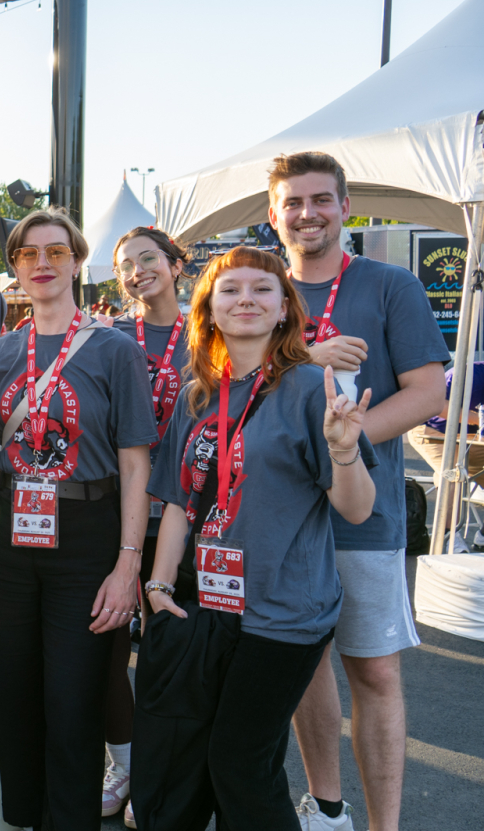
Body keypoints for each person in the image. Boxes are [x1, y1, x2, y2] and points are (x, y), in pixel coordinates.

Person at [135, 246, 377, 831]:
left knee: (238, 763)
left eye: (262, 289)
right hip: (207, 607)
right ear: (209, 311)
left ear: (283, 310)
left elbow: (357, 508)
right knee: (212, 761)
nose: (246, 298)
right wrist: (160, 585)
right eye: (231, 289)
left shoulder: (307, 390)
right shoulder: (199, 396)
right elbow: (176, 503)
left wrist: (344, 454)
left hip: (282, 614)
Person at [0, 207, 157, 831]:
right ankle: (22, 819)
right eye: (29, 254)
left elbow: (135, 464)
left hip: (87, 533)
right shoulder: (2, 351)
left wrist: (127, 564)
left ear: (76, 261)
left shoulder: (114, 349)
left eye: (56, 252)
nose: (42, 264)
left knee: (73, 696)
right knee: (13, 691)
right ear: (15, 269)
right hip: (5, 525)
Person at [271, 153, 449, 831]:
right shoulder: (258, 288)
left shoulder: (389, 285)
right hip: (280, 518)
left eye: (321, 199)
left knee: (373, 674)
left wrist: (342, 447)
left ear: (347, 208)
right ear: (273, 215)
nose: (307, 212)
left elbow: (428, 392)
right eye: (293, 202)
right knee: (303, 669)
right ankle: (326, 809)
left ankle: (385, 825)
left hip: (364, 517)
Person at [101, 225, 192, 825]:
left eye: (148, 259)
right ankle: (123, 761)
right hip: (118, 511)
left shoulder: (209, 331)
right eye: (125, 265)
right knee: (107, 651)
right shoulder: (107, 337)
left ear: (176, 264)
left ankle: (159, 771)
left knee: (170, 653)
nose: (137, 271)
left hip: (187, 517)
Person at [409, 360, 484, 553]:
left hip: (471, 435)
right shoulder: (470, 374)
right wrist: (476, 418)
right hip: (432, 430)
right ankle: (447, 536)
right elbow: (432, 404)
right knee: (452, 472)